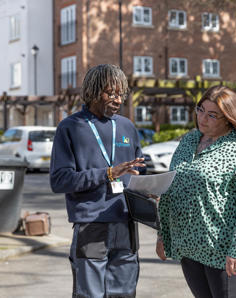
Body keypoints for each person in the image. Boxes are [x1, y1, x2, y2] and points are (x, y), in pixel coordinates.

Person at [156, 86, 236, 297]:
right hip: (191, 248)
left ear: (228, 118)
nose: (203, 118)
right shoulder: (189, 141)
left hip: (228, 252)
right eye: (200, 110)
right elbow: (172, 188)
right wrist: (163, 235)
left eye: (212, 114)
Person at [50, 64, 145, 298]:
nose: (118, 99)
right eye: (111, 93)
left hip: (125, 222)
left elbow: (140, 171)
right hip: (91, 223)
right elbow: (60, 181)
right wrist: (109, 173)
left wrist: (148, 187)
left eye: (121, 93)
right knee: (89, 294)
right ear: (93, 91)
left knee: (124, 292)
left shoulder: (127, 127)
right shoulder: (70, 127)